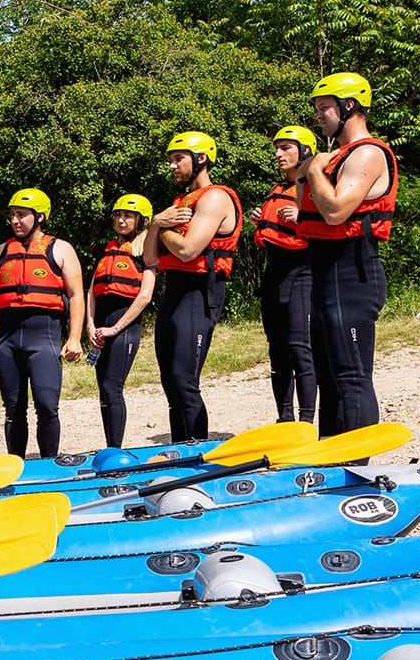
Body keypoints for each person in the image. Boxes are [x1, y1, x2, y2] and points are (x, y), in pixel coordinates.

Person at [298, 71, 397, 438]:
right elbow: (307, 207)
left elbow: (336, 210)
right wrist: (312, 173)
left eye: (325, 108)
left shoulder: (368, 153)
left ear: (349, 106)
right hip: (325, 274)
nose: (319, 115)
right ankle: (331, 462)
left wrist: (314, 171)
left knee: (351, 377)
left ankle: (358, 467)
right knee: (328, 377)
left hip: (352, 273)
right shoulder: (334, 157)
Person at [0, 188, 87, 459]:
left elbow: (76, 295)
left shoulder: (60, 249)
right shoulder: (1, 251)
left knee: (47, 406)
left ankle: (48, 464)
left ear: (40, 217)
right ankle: (17, 464)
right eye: (13, 215)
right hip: (7, 338)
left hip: (43, 337)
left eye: (22, 215)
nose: (15, 221)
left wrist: (74, 337)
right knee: (13, 409)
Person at [143, 131, 241, 442]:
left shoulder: (214, 197)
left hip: (200, 292)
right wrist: (157, 225)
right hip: (175, 292)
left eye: (178, 159)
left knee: (185, 382)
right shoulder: (178, 204)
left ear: (200, 159)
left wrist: (160, 228)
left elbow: (187, 250)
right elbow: (149, 258)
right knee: (171, 382)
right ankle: (179, 451)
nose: (172, 166)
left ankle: (196, 455)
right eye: (171, 160)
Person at [251, 126, 318, 424]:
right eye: (277, 148)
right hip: (275, 273)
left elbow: (330, 226)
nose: (278, 154)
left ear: (305, 151)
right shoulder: (277, 189)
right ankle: (285, 419)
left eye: (286, 148)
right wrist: (261, 220)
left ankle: (306, 420)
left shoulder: (317, 187)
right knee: (277, 351)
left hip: (302, 271)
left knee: (299, 348)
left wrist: (304, 217)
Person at [85, 194, 157, 448]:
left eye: (128, 215)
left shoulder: (144, 250)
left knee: (112, 386)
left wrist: (114, 328)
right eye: (118, 215)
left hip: (124, 326)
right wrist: (90, 325)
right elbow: (92, 290)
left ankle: (115, 448)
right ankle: (109, 446)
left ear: (141, 220)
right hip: (101, 326)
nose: (121, 219)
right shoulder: (108, 248)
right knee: (103, 391)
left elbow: (145, 296)